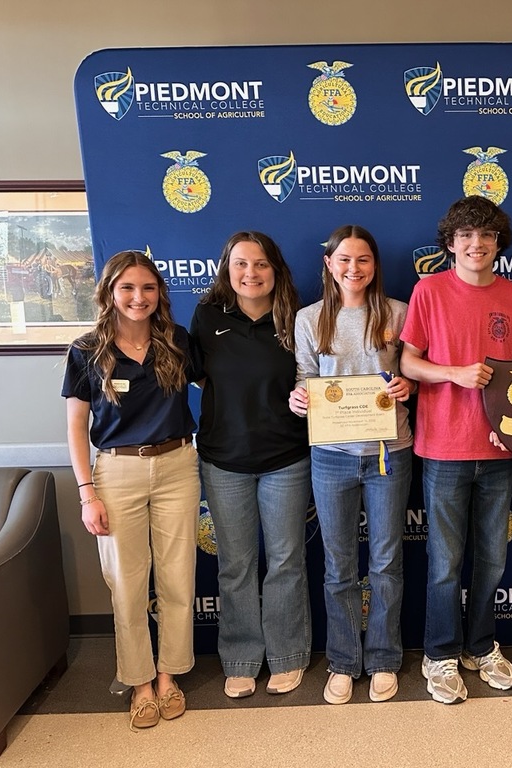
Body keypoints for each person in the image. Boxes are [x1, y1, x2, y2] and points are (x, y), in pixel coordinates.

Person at [400, 195, 512, 704]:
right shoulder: (428, 291)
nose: (476, 244)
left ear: (498, 242)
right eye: (465, 236)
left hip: (499, 451)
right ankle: (440, 654)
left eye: (486, 235)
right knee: (443, 562)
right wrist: (453, 373)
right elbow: (410, 363)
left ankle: (481, 646)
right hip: (442, 448)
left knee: (493, 559)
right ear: (450, 243)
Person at [63, 251, 199, 730]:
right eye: (127, 288)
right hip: (116, 472)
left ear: (159, 293)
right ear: (109, 293)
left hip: (179, 464)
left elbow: (224, 383)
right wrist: (87, 494)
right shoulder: (85, 350)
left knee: (178, 577)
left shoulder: (176, 340)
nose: (138, 298)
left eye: (147, 288)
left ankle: (168, 676)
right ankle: (139, 682)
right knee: (127, 582)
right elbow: (76, 427)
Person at [288, 225, 415, 704]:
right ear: (329, 264)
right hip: (331, 456)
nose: (353, 268)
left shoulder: (399, 313)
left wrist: (409, 388)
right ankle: (343, 660)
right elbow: (304, 378)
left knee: (386, 562)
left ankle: (383, 658)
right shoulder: (309, 318)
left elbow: (413, 374)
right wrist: (299, 399)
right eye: (344, 259)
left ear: (374, 265)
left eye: (362, 259)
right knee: (339, 567)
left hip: (389, 452)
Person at [190, 232, 311, 700]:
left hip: (287, 458)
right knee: (236, 565)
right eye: (240, 264)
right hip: (224, 461)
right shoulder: (207, 317)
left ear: (275, 269)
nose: (250, 273)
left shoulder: (295, 319)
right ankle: (240, 659)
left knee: (285, 561)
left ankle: (287, 656)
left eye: (260, 264)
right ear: (227, 269)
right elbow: (200, 376)